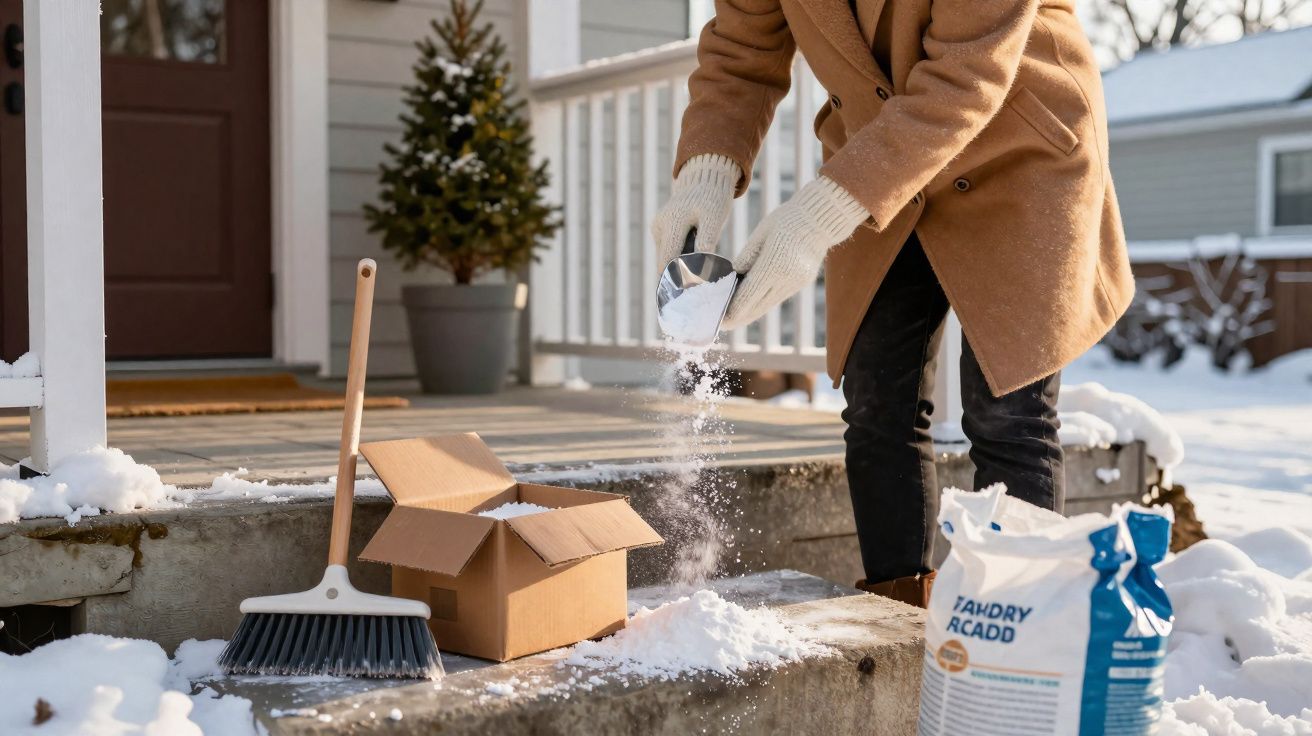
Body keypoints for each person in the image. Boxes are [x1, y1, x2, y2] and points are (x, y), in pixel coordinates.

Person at [652, 0, 1133, 607]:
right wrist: (706, 172)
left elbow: (965, 78)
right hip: (878, 153)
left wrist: (814, 220)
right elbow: (742, 49)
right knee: (879, 405)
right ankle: (901, 613)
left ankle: (1019, 638)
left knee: (1008, 415)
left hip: (1018, 145)